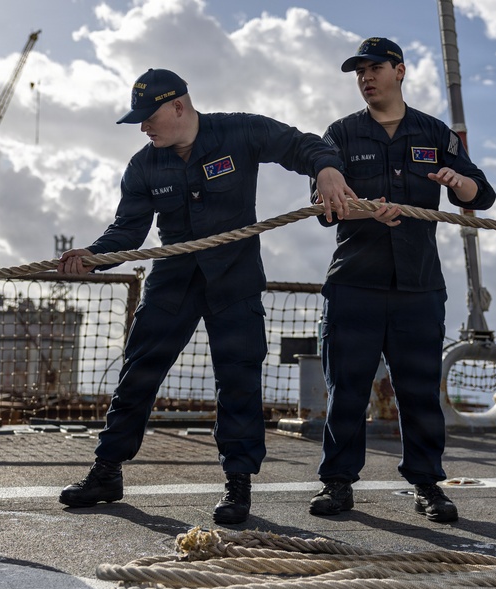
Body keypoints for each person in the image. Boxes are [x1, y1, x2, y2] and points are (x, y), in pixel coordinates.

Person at [57, 68, 355, 524]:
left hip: (234, 280)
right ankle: (106, 471)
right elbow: (128, 230)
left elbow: (303, 144)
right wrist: (94, 256)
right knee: (138, 373)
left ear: (179, 106)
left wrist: (327, 169)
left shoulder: (240, 131)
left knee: (238, 380)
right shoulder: (143, 165)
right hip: (174, 281)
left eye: (148, 116)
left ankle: (238, 485)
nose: (143, 126)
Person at [308, 38, 496, 522]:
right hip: (355, 285)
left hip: (418, 287)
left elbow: (484, 192)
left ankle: (428, 485)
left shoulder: (434, 133)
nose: (366, 78)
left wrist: (459, 184)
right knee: (346, 390)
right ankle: (338, 483)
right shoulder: (341, 134)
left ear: (401, 71)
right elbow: (323, 209)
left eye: (375, 69)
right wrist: (364, 210)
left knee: (419, 393)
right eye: (359, 72)